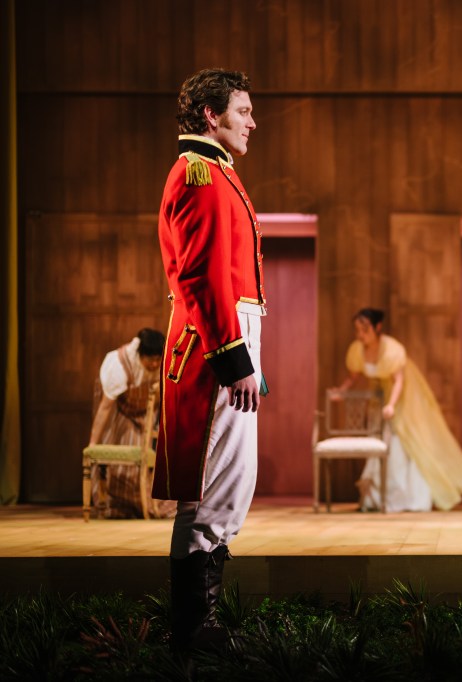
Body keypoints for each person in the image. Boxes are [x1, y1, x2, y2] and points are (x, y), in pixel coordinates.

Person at [153, 68, 266, 656]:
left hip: (226, 335)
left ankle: (200, 626)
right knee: (212, 489)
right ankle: (194, 629)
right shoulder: (199, 175)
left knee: (230, 484)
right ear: (210, 115)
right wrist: (232, 357)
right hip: (212, 345)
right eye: (242, 111)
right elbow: (199, 278)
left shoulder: (216, 173)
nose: (252, 121)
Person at [338, 308, 462, 511]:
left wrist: (392, 405)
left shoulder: (392, 350)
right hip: (379, 394)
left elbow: (399, 381)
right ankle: (378, 496)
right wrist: (341, 391)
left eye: (365, 330)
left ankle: (408, 496)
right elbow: (354, 375)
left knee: (404, 436)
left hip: (403, 394)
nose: (361, 335)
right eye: (358, 330)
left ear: (377, 328)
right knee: (380, 435)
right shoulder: (358, 349)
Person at [87, 328, 176, 519]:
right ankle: (116, 505)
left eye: (157, 359)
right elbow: (105, 406)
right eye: (149, 359)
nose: (154, 364)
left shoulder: (165, 362)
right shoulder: (121, 365)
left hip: (144, 409)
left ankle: (144, 504)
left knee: (144, 455)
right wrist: (93, 442)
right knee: (121, 455)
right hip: (116, 406)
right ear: (139, 355)